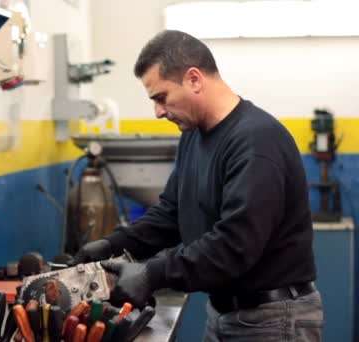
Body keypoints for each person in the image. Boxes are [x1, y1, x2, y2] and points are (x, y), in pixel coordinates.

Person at [72, 30, 323, 341]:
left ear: (193, 79)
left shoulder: (256, 141)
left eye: (161, 98)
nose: (158, 112)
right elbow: (171, 213)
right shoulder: (193, 136)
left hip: (272, 319)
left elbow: (234, 245)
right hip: (223, 313)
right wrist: (113, 244)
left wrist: (154, 273)